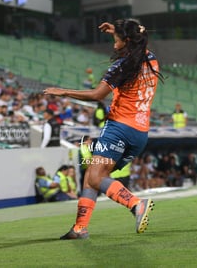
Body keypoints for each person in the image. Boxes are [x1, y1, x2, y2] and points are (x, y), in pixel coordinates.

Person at [44, 18, 163, 239]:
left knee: (96, 178)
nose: (112, 42)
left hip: (119, 127)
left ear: (126, 40)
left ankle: (136, 204)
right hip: (140, 132)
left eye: (116, 38)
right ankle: (80, 228)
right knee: (92, 174)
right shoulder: (149, 57)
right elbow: (135, 39)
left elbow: (97, 95)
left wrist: (64, 92)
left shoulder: (122, 65)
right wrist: (117, 31)